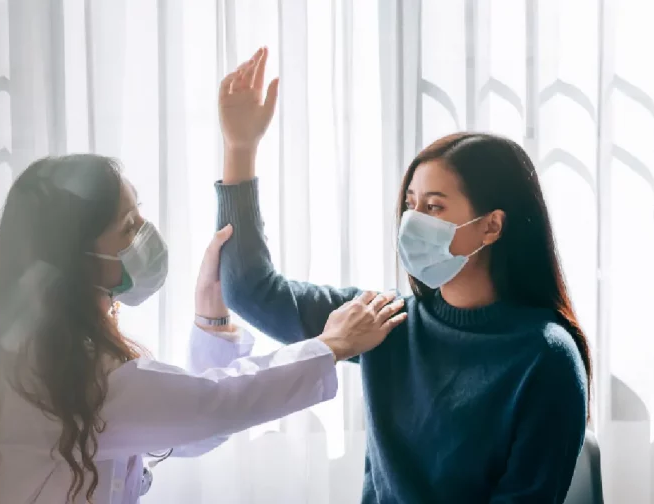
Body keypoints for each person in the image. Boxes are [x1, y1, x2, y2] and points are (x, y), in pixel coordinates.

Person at [215, 47, 591, 503]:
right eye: (411, 204)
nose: (413, 221)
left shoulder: (546, 357)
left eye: (434, 206)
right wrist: (240, 149)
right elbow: (249, 290)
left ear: (491, 225)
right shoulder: (384, 321)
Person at [0, 150, 408, 503]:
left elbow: (187, 426)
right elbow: (212, 406)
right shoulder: (64, 367)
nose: (145, 232)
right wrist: (330, 345)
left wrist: (210, 315)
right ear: (75, 256)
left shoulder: (39, 343)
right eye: (127, 225)